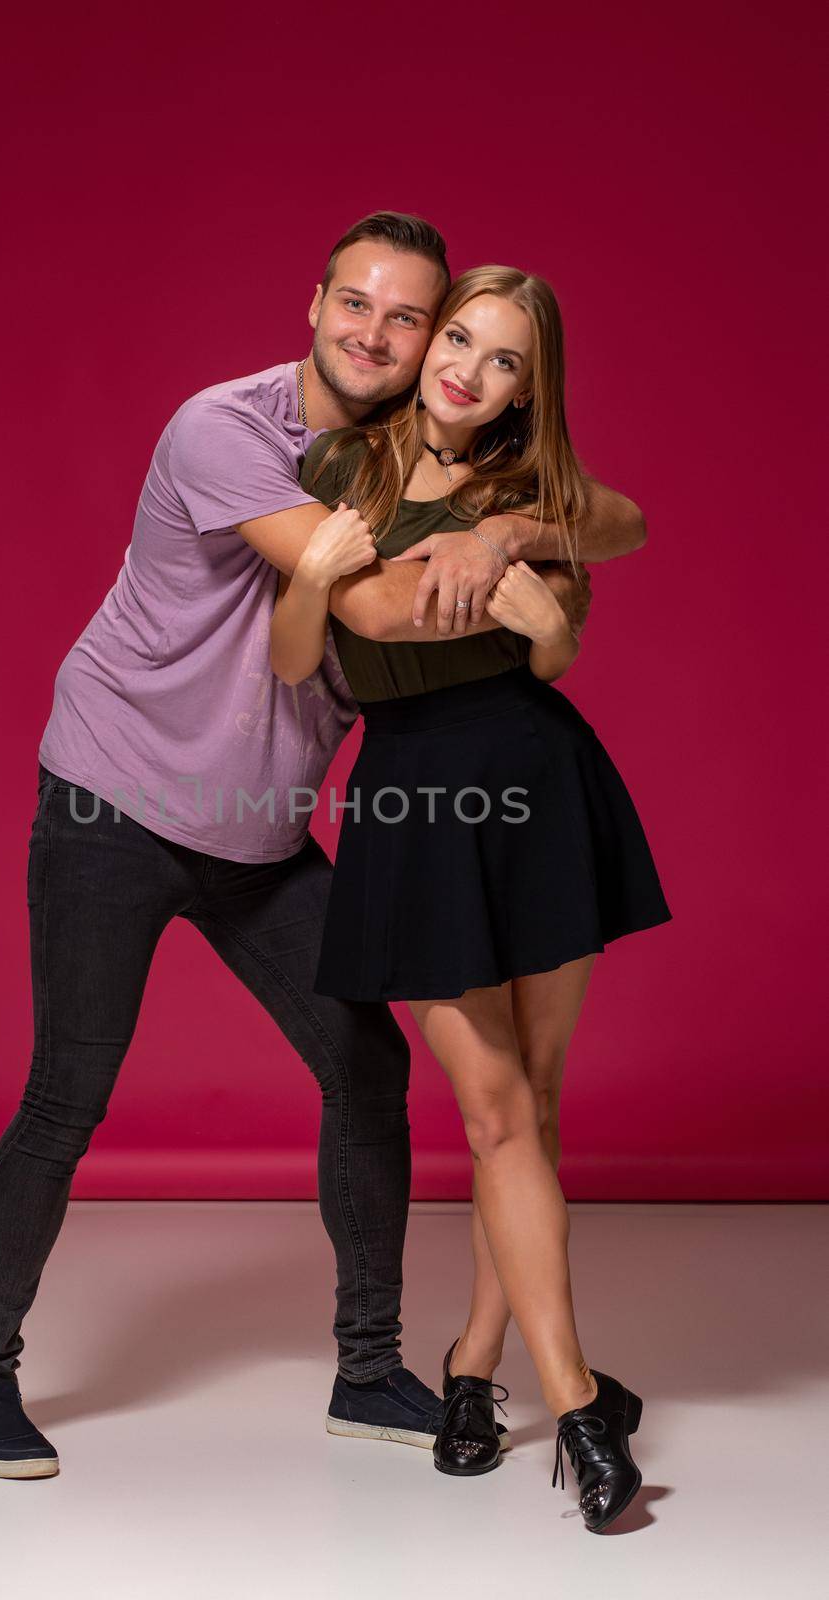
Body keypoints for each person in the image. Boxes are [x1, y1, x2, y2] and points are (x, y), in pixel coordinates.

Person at [0, 215, 643, 1481]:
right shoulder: (231, 431)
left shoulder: (404, 446)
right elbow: (367, 606)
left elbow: (598, 509)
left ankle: (369, 1369)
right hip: (118, 796)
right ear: (313, 302)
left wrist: (510, 530)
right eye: (354, 305)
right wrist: (516, 570)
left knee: (366, 1068)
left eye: (406, 317)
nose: (376, 334)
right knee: (67, 1095)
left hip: (261, 829)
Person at [269, 263, 671, 1533]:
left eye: (505, 360)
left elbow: (620, 534)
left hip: (540, 781)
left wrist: (510, 536)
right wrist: (479, 574)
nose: (467, 369)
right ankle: (581, 1412)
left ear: (525, 389)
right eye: (459, 338)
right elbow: (336, 632)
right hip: (413, 803)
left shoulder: (531, 494)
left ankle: (469, 1369)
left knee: (528, 1115)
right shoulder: (344, 465)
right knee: (495, 1109)